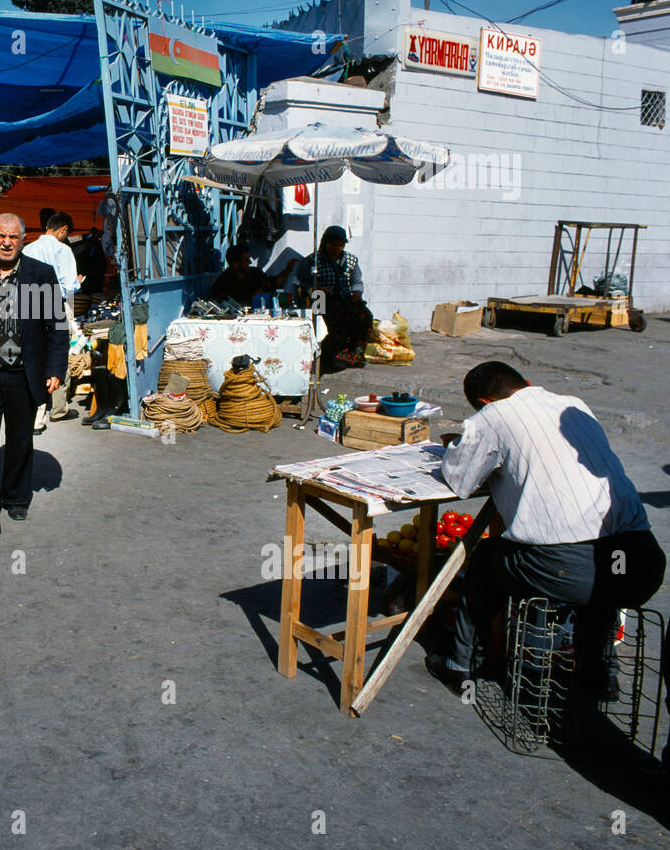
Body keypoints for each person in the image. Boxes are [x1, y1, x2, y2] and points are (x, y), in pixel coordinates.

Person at [427, 361, 666, 693]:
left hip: (577, 570)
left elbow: (461, 481)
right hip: (641, 562)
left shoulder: (491, 418)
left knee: (486, 558)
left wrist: (459, 447)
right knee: (604, 583)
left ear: (483, 403)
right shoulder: (574, 404)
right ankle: (598, 673)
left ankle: (459, 665)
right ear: (526, 382)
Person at [0, 215, 66, 539]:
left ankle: (17, 496)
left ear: (23, 239)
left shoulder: (41, 274)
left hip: (24, 372)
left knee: (20, 439)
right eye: (1, 236)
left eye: (14, 237)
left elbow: (57, 327)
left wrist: (55, 369)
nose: (7, 242)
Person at [285, 225, 372, 368]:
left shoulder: (351, 261)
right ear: (326, 243)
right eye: (333, 245)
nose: (337, 248)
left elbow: (357, 282)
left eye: (340, 245)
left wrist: (356, 293)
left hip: (346, 299)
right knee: (335, 323)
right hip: (321, 300)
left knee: (365, 317)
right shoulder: (313, 261)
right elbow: (300, 283)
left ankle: (352, 354)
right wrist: (316, 288)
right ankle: (326, 357)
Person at [26, 211, 81, 428]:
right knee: (60, 350)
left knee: (35, 351)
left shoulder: (28, 248)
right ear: (63, 229)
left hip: (29, 306)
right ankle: (58, 407)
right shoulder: (63, 250)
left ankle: (37, 409)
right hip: (56, 304)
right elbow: (69, 286)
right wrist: (78, 282)